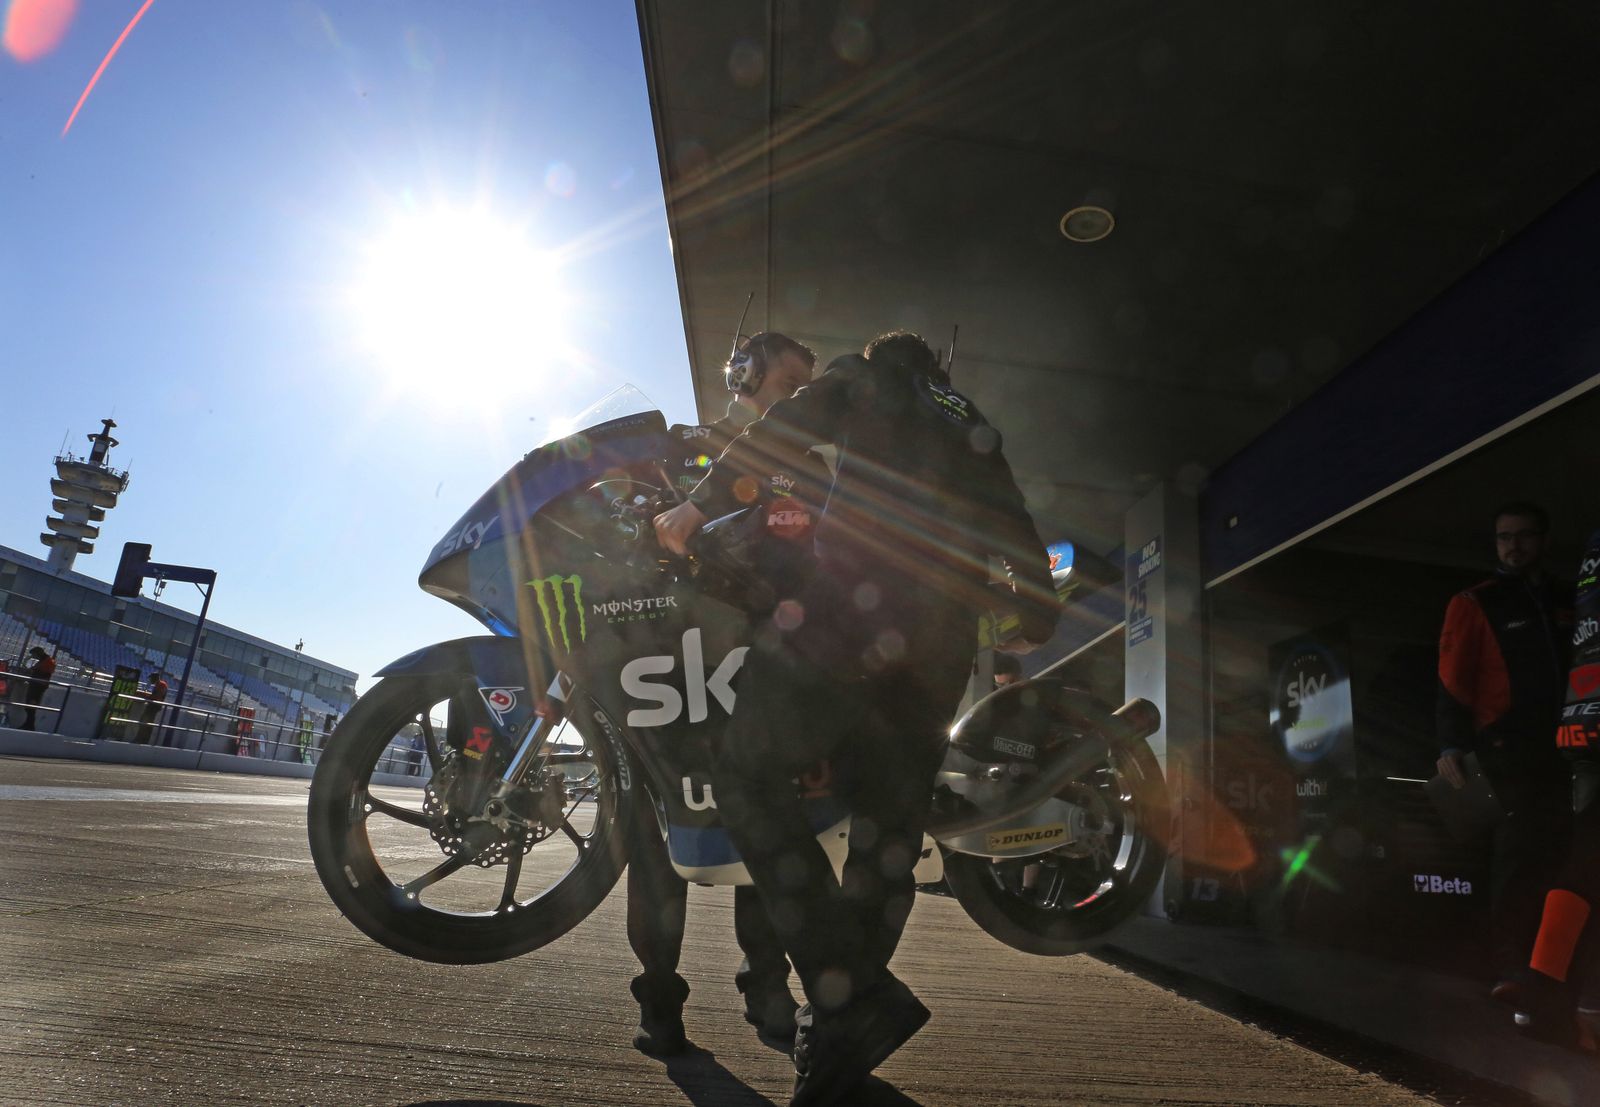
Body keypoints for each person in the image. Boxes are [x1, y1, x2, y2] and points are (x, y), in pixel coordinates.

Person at [655, 331, 1058, 1105]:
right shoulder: (971, 421)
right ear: (938, 369)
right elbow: (1020, 532)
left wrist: (696, 504)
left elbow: (783, 429)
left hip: (854, 604)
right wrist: (1032, 613)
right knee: (886, 838)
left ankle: (849, 1002)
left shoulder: (863, 378)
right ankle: (835, 1052)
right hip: (942, 638)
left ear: (880, 351)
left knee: (745, 769)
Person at [628, 330, 831, 1056]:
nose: (804, 395)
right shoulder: (680, 452)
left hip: (749, 670)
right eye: (791, 379)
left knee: (762, 832)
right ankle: (659, 999)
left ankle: (769, 989)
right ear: (746, 374)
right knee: (652, 841)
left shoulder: (808, 464)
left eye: (811, 384)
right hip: (659, 665)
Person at [1436, 501, 1573, 1000]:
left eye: (1523, 535)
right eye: (1503, 537)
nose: (1513, 545)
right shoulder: (1475, 602)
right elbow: (1452, 680)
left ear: (1544, 539)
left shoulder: (1570, 597)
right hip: (1506, 754)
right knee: (1516, 861)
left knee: (1567, 860)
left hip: (1573, 752)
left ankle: (1557, 967)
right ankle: (1512, 971)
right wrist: (1450, 743)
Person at [1511, 525, 1600, 1046]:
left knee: (1581, 872)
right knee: (1584, 872)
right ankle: (1547, 1006)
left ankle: (1543, 1002)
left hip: (1583, 722)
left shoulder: (1591, 552)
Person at [19, 646, 56, 731]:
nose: (33, 657)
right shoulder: (44, 661)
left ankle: (30, 726)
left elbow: (42, 672)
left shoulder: (48, 662)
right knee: (29, 706)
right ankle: (28, 724)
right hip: (36, 685)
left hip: (38, 686)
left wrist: (31, 670)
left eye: (33, 655)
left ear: (37, 653)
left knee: (31, 706)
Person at [136, 671, 168, 745]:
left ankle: (141, 739)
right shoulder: (160, 684)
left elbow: (156, 697)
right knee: (146, 722)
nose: (150, 680)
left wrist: (145, 695)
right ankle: (142, 739)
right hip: (154, 705)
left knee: (145, 721)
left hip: (154, 706)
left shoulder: (161, 685)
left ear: (154, 678)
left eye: (151, 679)